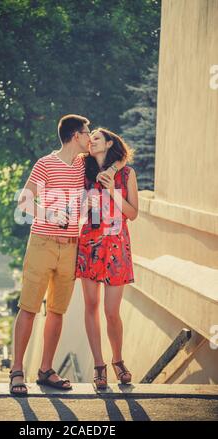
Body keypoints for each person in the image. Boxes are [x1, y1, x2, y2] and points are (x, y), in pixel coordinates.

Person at [10, 115, 124, 396]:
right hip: (42, 243)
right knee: (29, 308)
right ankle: (16, 371)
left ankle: (46, 370)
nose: (90, 137)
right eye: (87, 133)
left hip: (71, 245)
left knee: (57, 312)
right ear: (76, 135)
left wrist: (117, 166)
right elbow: (23, 201)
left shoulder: (83, 165)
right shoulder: (45, 164)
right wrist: (50, 213)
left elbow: (118, 157)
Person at [76, 128, 138, 389]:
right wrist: (84, 204)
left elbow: (133, 213)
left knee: (112, 311)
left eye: (97, 138)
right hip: (90, 242)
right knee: (91, 306)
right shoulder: (82, 169)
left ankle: (118, 360)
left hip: (117, 245)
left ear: (109, 143)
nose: (91, 141)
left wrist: (113, 191)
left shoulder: (126, 173)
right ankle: (99, 366)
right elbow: (75, 208)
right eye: (90, 139)